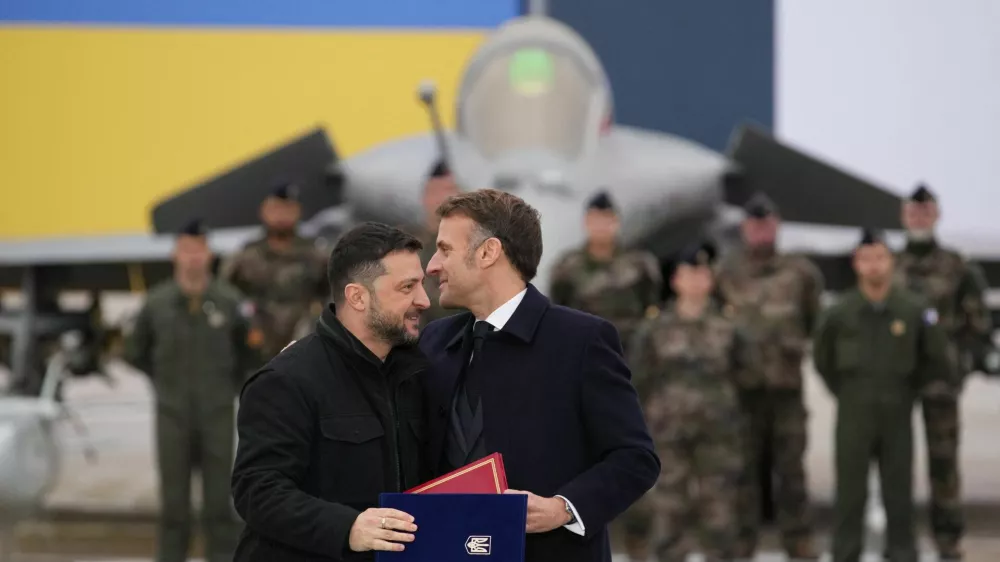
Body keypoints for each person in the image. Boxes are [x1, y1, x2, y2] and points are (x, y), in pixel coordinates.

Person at [419, 188, 660, 562]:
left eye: (445, 249)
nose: (432, 265)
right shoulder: (433, 341)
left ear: (488, 253)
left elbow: (635, 458)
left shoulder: (581, 341)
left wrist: (562, 508)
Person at [231, 222, 430, 562]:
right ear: (357, 296)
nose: (424, 300)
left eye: (421, 284)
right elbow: (258, 490)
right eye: (407, 287)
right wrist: (348, 528)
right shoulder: (288, 379)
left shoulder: (415, 374)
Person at [813, 228, 952, 562]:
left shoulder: (912, 309)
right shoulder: (840, 312)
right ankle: (846, 554)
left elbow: (933, 359)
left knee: (899, 491)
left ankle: (902, 554)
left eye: (880, 258)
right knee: (849, 493)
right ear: (856, 264)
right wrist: (847, 392)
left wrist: (908, 391)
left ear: (891, 262)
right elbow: (823, 359)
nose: (873, 266)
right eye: (866, 259)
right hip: (854, 412)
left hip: (898, 410)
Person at [123, 218, 253, 562]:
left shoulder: (229, 301)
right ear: (175, 255)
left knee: (219, 505)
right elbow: (135, 351)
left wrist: (230, 388)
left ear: (209, 255)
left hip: (217, 413)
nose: (193, 258)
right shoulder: (157, 303)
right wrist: (165, 384)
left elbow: (249, 353)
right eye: (186, 250)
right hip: (172, 415)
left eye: (199, 250)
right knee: (174, 507)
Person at [713, 192, 823, 560]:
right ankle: (743, 545)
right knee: (742, 474)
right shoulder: (725, 272)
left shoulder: (800, 273)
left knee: (791, 472)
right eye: (754, 225)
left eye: (767, 224)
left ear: (776, 226)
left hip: (785, 392)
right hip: (742, 394)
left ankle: (799, 542)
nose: (760, 231)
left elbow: (812, 322)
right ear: (745, 228)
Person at [628, 240, 751, 562]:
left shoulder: (730, 326)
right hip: (669, 436)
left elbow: (746, 374)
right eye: (689, 273)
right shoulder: (654, 328)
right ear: (676, 281)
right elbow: (639, 378)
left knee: (720, 515)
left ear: (710, 280)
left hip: (719, 437)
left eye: (702, 273)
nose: (697, 280)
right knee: (669, 514)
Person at [893, 184, 992, 561]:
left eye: (925, 212)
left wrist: (959, 363)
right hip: (896, 383)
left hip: (940, 381)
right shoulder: (889, 265)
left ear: (935, 216)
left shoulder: (957, 266)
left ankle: (948, 540)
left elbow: (977, 324)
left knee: (944, 461)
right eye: (913, 213)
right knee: (894, 462)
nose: (919, 218)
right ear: (904, 217)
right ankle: (898, 539)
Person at [221, 181, 329, 367]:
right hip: (255, 355)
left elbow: (332, 299)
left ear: (298, 212)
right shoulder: (244, 257)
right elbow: (223, 297)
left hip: (304, 354)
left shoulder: (316, 256)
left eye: (288, 209)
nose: (281, 215)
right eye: (276, 208)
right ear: (264, 211)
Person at [549, 190, 663, 353]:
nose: (601, 227)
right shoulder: (567, 267)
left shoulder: (640, 264)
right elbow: (558, 312)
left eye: (607, 219)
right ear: (586, 222)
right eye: (596, 220)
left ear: (616, 222)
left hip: (630, 353)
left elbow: (651, 307)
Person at [417, 159, 462, 327]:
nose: (442, 199)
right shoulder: (408, 247)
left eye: (449, 190)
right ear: (424, 197)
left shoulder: (470, 248)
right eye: (435, 191)